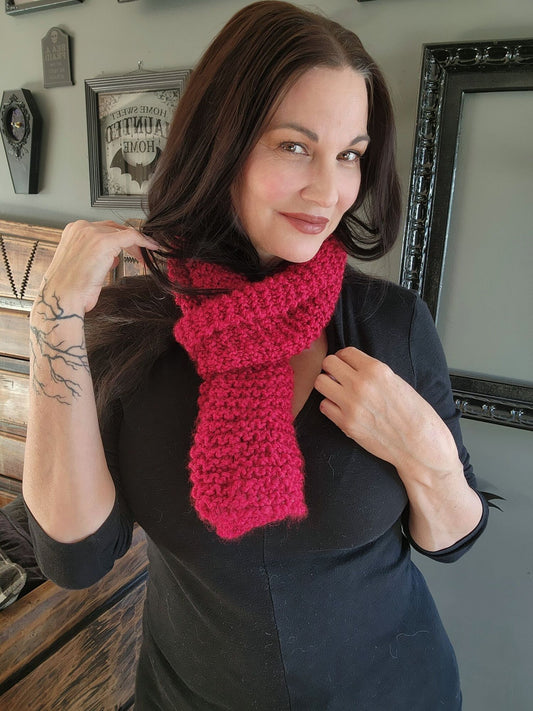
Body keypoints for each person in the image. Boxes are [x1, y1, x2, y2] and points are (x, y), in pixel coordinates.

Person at [23, 2, 490, 709]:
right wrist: (52, 318)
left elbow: (452, 538)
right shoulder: (132, 328)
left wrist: (425, 452)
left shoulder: (389, 323)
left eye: (349, 154)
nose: (328, 191)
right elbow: (76, 558)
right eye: (294, 146)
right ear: (221, 145)